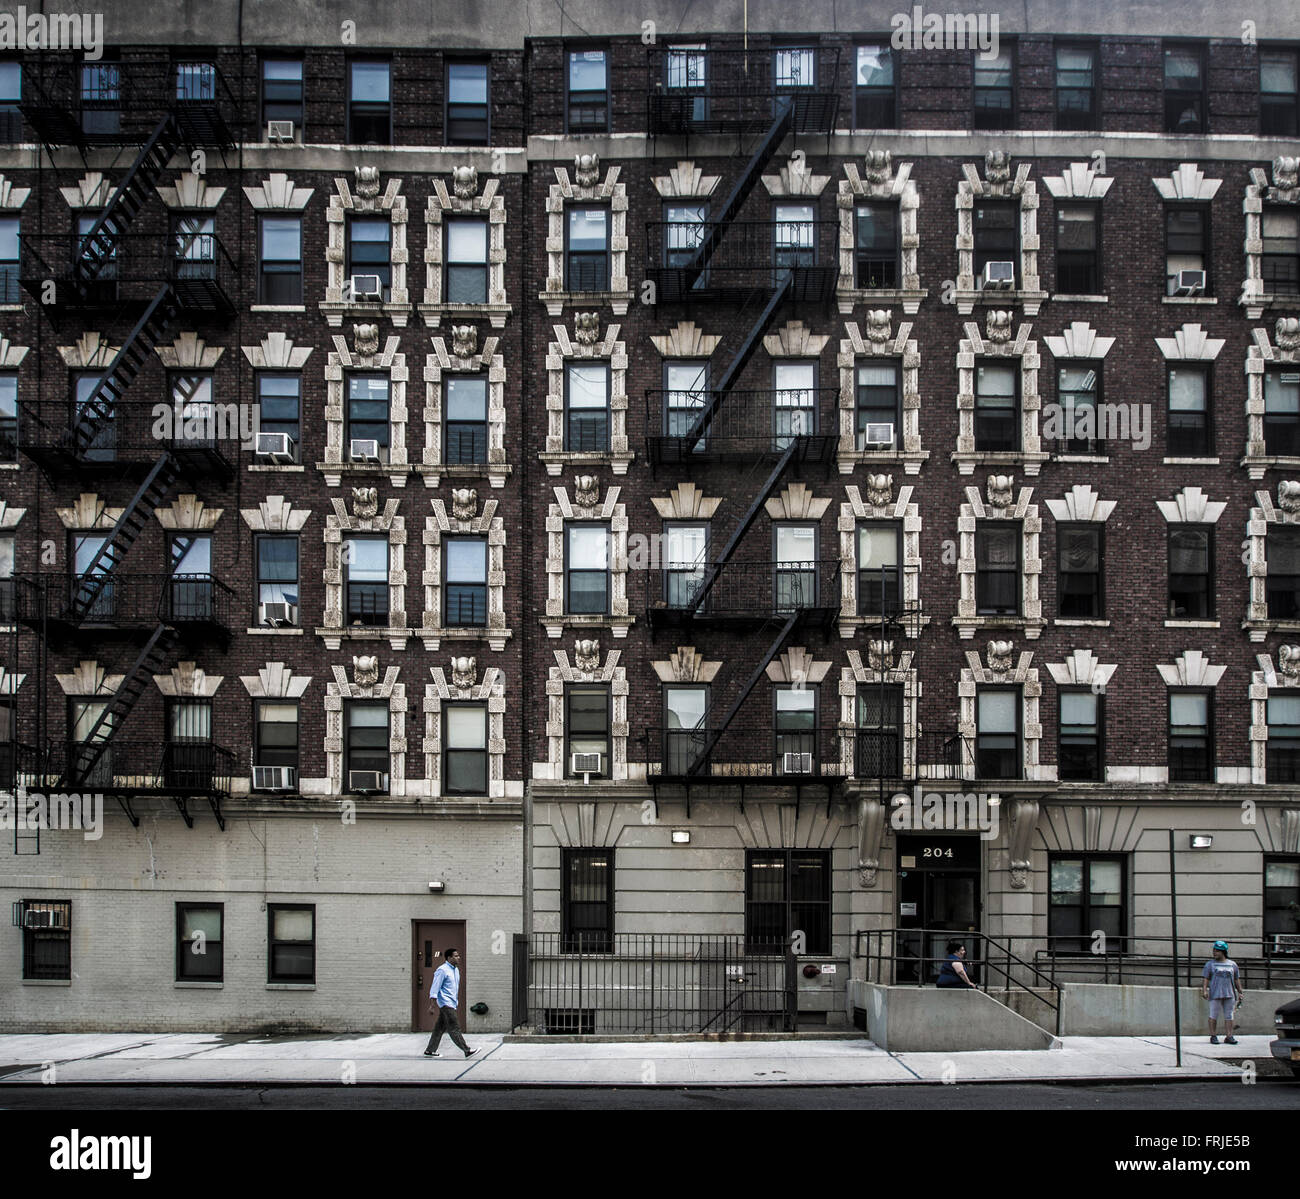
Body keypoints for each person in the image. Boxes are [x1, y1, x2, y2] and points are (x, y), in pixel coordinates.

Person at [424, 947, 479, 1059]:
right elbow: (435, 987)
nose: (458, 957)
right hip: (445, 1003)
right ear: (449, 958)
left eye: (458, 955)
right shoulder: (442, 970)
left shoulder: (455, 970)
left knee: (439, 1028)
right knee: (454, 1027)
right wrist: (432, 1005)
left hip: (452, 1003)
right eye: (456, 956)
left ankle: (430, 1050)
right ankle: (466, 1050)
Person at [1200, 940, 1244, 1045]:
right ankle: (1213, 1035)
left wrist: (1240, 992)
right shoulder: (1210, 964)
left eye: (1217, 951)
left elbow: (1236, 979)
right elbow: (1206, 978)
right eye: (1214, 950)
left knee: (1229, 1015)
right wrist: (1204, 990)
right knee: (1213, 1014)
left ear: (1223, 952)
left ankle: (1229, 1036)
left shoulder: (1232, 964)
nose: (1215, 953)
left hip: (1229, 994)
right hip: (1215, 993)